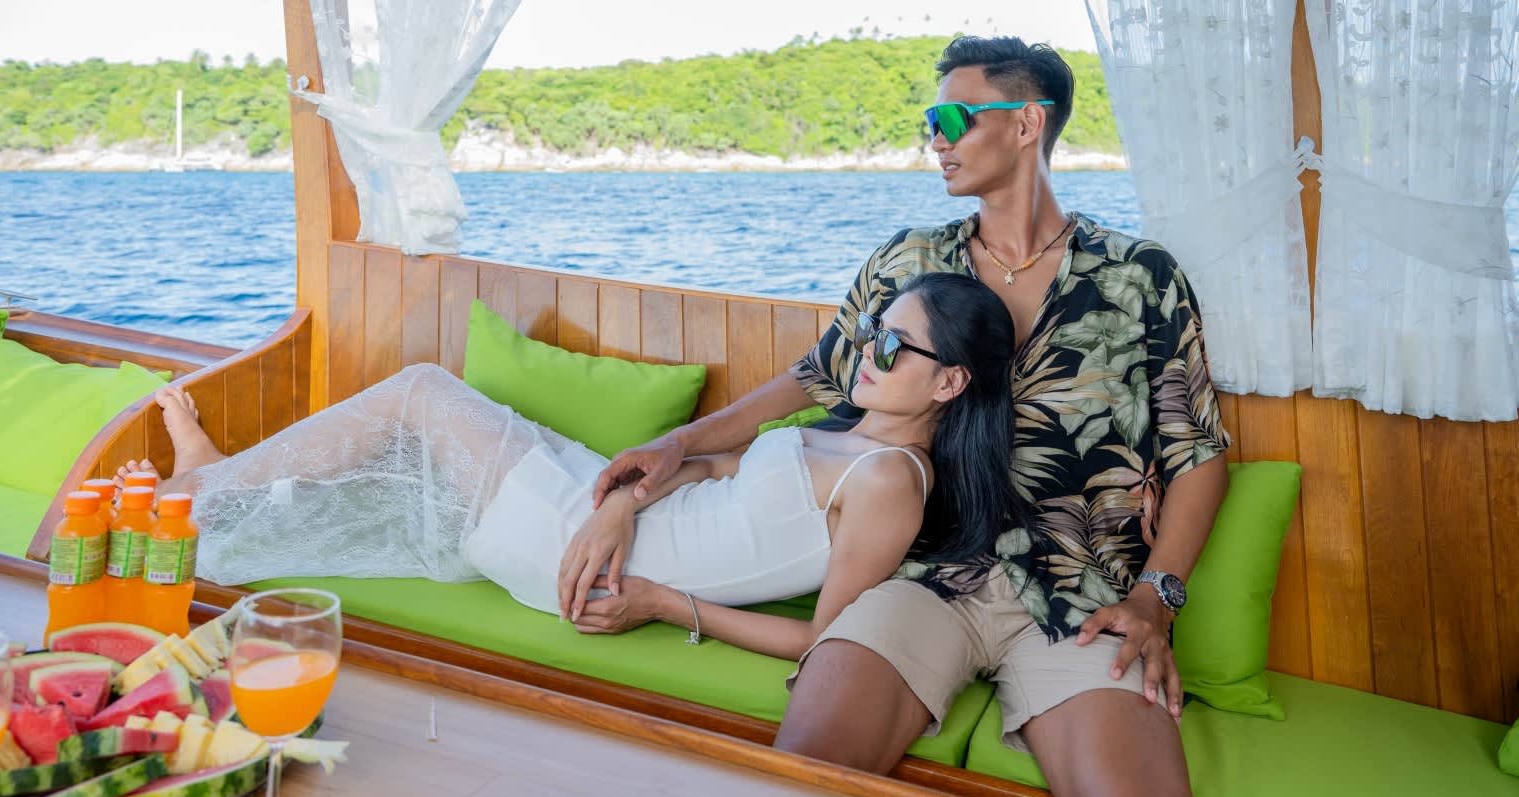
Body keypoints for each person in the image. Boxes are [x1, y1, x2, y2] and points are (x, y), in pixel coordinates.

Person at [589, 36, 1230, 797]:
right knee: (799, 789)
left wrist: (1156, 597)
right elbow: (814, 377)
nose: (935, 138)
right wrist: (679, 443)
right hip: (922, 581)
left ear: (1027, 123)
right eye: (931, 121)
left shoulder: (1140, 278)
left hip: (1080, 597)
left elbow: (1197, 454)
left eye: (953, 118)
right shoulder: (909, 260)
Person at [116, 272, 1025, 661]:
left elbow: (822, 640)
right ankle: (222, 480)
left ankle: (198, 491)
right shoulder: (851, 433)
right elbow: (715, 469)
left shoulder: (890, 483)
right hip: (611, 520)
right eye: (869, 335)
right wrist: (623, 503)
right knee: (422, 425)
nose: (867, 356)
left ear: (951, 382)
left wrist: (660, 604)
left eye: (894, 348)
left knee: (422, 394)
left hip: (599, 566)